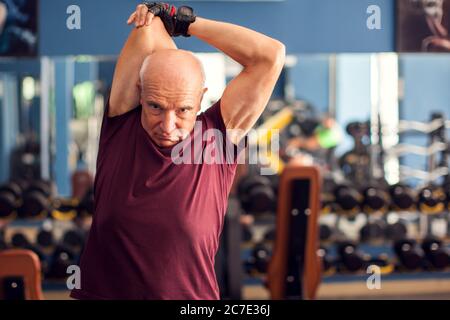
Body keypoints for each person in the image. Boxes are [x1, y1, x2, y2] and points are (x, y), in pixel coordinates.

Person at [70, 2, 285, 300]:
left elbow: (270, 55)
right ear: (140, 92)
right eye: (155, 106)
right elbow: (149, 29)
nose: (167, 126)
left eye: (183, 109)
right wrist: (160, 18)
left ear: (200, 100)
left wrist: (185, 23)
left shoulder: (219, 135)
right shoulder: (121, 125)